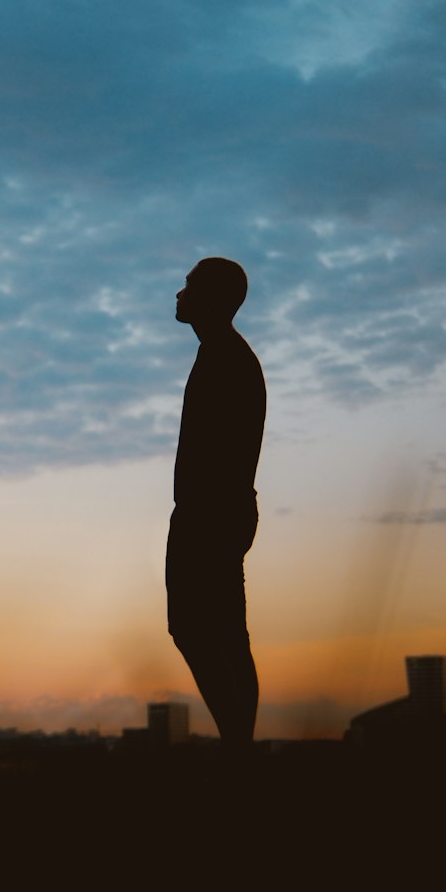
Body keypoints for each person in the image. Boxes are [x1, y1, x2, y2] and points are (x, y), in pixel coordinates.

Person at [166, 257, 266, 749]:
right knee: (216, 634)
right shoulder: (220, 354)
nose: (179, 293)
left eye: (188, 286)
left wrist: (208, 517)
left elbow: (227, 451)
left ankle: (238, 747)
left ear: (211, 298)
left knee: (204, 630)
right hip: (212, 512)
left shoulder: (228, 357)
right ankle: (238, 746)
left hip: (211, 514)